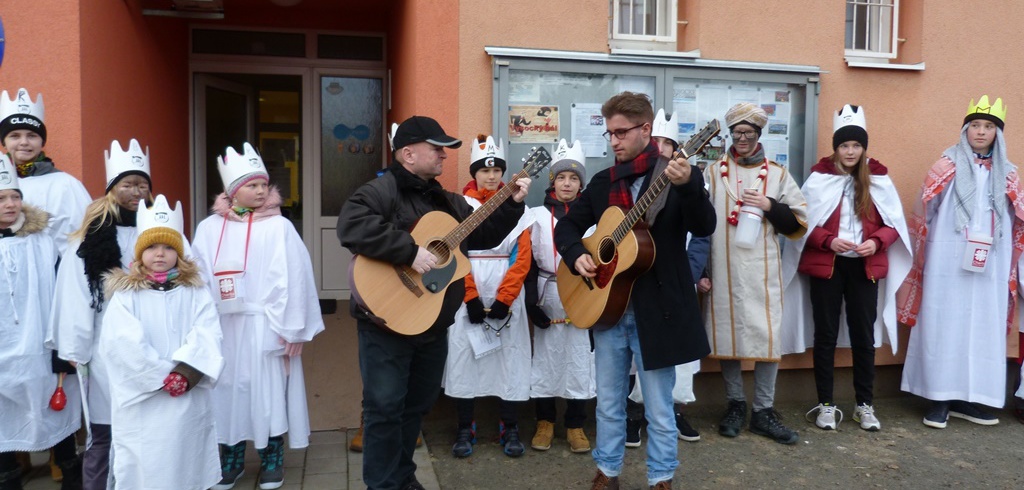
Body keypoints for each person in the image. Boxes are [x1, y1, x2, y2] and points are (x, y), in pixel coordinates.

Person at [337, 116, 530, 490]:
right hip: (386, 322)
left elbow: (483, 233)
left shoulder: (447, 200)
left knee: (416, 406)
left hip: (432, 321)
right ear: (408, 154)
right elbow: (352, 224)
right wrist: (409, 251)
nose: (444, 154)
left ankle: (403, 477)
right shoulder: (382, 190)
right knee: (384, 408)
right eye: (436, 148)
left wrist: (512, 204)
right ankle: (381, 484)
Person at [554, 92, 715, 490]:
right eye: (609, 134)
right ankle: (607, 471)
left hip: (657, 309)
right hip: (608, 307)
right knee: (608, 404)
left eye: (621, 132)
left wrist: (691, 185)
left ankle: (661, 477)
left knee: (659, 406)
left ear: (646, 130)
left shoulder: (676, 176)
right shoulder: (604, 181)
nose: (614, 141)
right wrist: (576, 256)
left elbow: (706, 224)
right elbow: (567, 228)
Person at [192, 142, 324, 490]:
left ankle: (272, 459)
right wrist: (200, 325)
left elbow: (296, 277)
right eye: (253, 185)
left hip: (265, 325)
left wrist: (293, 330)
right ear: (233, 190)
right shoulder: (209, 229)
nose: (261, 190)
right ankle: (230, 460)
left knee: (268, 392)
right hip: (224, 326)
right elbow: (198, 275)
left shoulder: (279, 227)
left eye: (264, 184)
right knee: (226, 391)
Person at [780, 105, 911, 431]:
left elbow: (894, 223)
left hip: (864, 267)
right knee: (824, 334)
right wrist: (828, 241)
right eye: (844, 145)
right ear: (836, 148)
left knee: (863, 336)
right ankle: (825, 404)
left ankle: (864, 405)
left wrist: (877, 242)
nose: (850, 151)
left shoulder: (879, 179)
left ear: (864, 148)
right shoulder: (819, 179)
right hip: (829, 266)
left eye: (856, 145)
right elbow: (802, 222)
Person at [897, 95, 1024, 428]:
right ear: (966, 130)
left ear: (998, 133)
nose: (981, 132)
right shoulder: (946, 166)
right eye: (976, 126)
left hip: (990, 264)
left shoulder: (1009, 174)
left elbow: (1017, 220)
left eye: (989, 127)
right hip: (947, 259)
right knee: (944, 322)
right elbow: (926, 212)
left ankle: (971, 399)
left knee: (982, 326)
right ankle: (938, 398)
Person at [50, 138, 155, 490]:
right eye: (128, 184)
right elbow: (76, 296)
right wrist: (76, 349)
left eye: (142, 184)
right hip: (105, 349)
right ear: (112, 189)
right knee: (106, 432)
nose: (136, 191)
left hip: (154, 343)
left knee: (148, 431)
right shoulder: (89, 240)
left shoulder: (160, 231)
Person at [99, 195, 224, 490]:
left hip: (186, 396)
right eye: (152, 246)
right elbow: (121, 342)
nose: (160, 254)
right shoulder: (127, 296)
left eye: (169, 247)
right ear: (139, 252)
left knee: (186, 460)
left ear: (179, 253)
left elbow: (207, 331)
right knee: (146, 465)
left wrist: (186, 372)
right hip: (144, 402)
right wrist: (159, 375)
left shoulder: (195, 291)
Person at [703, 102, 807, 445]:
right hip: (722, 264)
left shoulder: (776, 174)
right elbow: (697, 223)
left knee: (766, 336)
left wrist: (770, 206)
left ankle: (763, 411)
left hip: (762, 269)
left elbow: (798, 224)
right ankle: (735, 404)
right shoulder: (712, 172)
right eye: (736, 133)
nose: (742, 138)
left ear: (759, 135)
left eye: (748, 133)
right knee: (727, 333)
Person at [442, 135, 534, 459]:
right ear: (474, 173)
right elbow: (457, 253)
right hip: (467, 288)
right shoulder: (460, 207)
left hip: (505, 288)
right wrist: (469, 296)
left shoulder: (518, 208)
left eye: (497, 171)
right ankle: (465, 427)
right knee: (465, 356)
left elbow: (522, 256)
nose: (491, 176)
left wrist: (506, 298)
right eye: (484, 170)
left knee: (509, 357)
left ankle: (509, 426)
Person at [0, 158, 83, 490]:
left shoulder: (42, 240)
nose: (10, 204)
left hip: (40, 345)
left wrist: (63, 345)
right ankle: (8, 480)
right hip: (3, 349)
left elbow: (62, 292)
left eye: (14, 197)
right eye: (1, 198)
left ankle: (71, 475)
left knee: (54, 408)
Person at [626, 109, 707, 445]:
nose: (660, 147)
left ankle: (674, 412)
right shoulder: (630, 181)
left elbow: (702, 235)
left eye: (666, 142)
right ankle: (633, 415)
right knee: (635, 356)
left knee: (674, 355)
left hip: (675, 282)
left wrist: (686, 273)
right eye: (655, 140)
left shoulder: (689, 181)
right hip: (637, 279)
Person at [524, 139, 595, 454]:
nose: (567, 183)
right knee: (545, 360)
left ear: (581, 183)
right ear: (552, 180)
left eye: (574, 178)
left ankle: (576, 425)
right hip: (546, 292)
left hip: (582, 292)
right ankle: (545, 422)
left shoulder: (591, 217)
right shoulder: (534, 215)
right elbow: (525, 261)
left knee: (579, 359)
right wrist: (530, 302)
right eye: (562, 177)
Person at [0, 88, 91, 256]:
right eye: (15, 136)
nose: (24, 142)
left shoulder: (66, 185)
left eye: (32, 136)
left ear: (42, 141)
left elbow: (83, 239)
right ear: (4, 141)